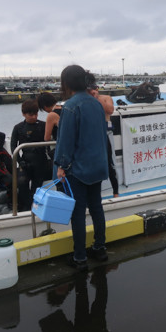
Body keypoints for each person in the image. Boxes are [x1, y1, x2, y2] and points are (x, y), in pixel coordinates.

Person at [54, 65, 109, 272]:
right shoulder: (96, 104)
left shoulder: (70, 106)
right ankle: (100, 248)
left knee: (78, 213)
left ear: (66, 83)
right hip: (98, 165)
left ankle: (80, 257)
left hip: (79, 169)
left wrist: (61, 166)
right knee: (96, 208)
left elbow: (65, 141)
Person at [11, 99, 49, 211]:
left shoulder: (43, 125)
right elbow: (14, 147)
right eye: (30, 114)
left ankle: (34, 207)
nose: (33, 117)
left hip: (40, 161)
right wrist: (19, 161)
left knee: (37, 186)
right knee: (22, 183)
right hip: (25, 161)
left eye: (36, 114)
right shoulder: (18, 128)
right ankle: (27, 206)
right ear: (24, 114)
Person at [85, 72, 119, 197]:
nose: (93, 91)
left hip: (106, 133)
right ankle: (94, 193)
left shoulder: (105, 98)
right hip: (91, 134)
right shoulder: (84, 100)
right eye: (90, 89)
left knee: (110, 163)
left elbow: (110, 110)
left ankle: (116, 192)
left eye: (95, 88)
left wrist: (96, 98)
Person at [37, 91, 62, 179]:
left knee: (58, 180)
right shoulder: (66, 108)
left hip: (60, 150)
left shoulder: (52, 115)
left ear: (44, 106)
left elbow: (46, 138)